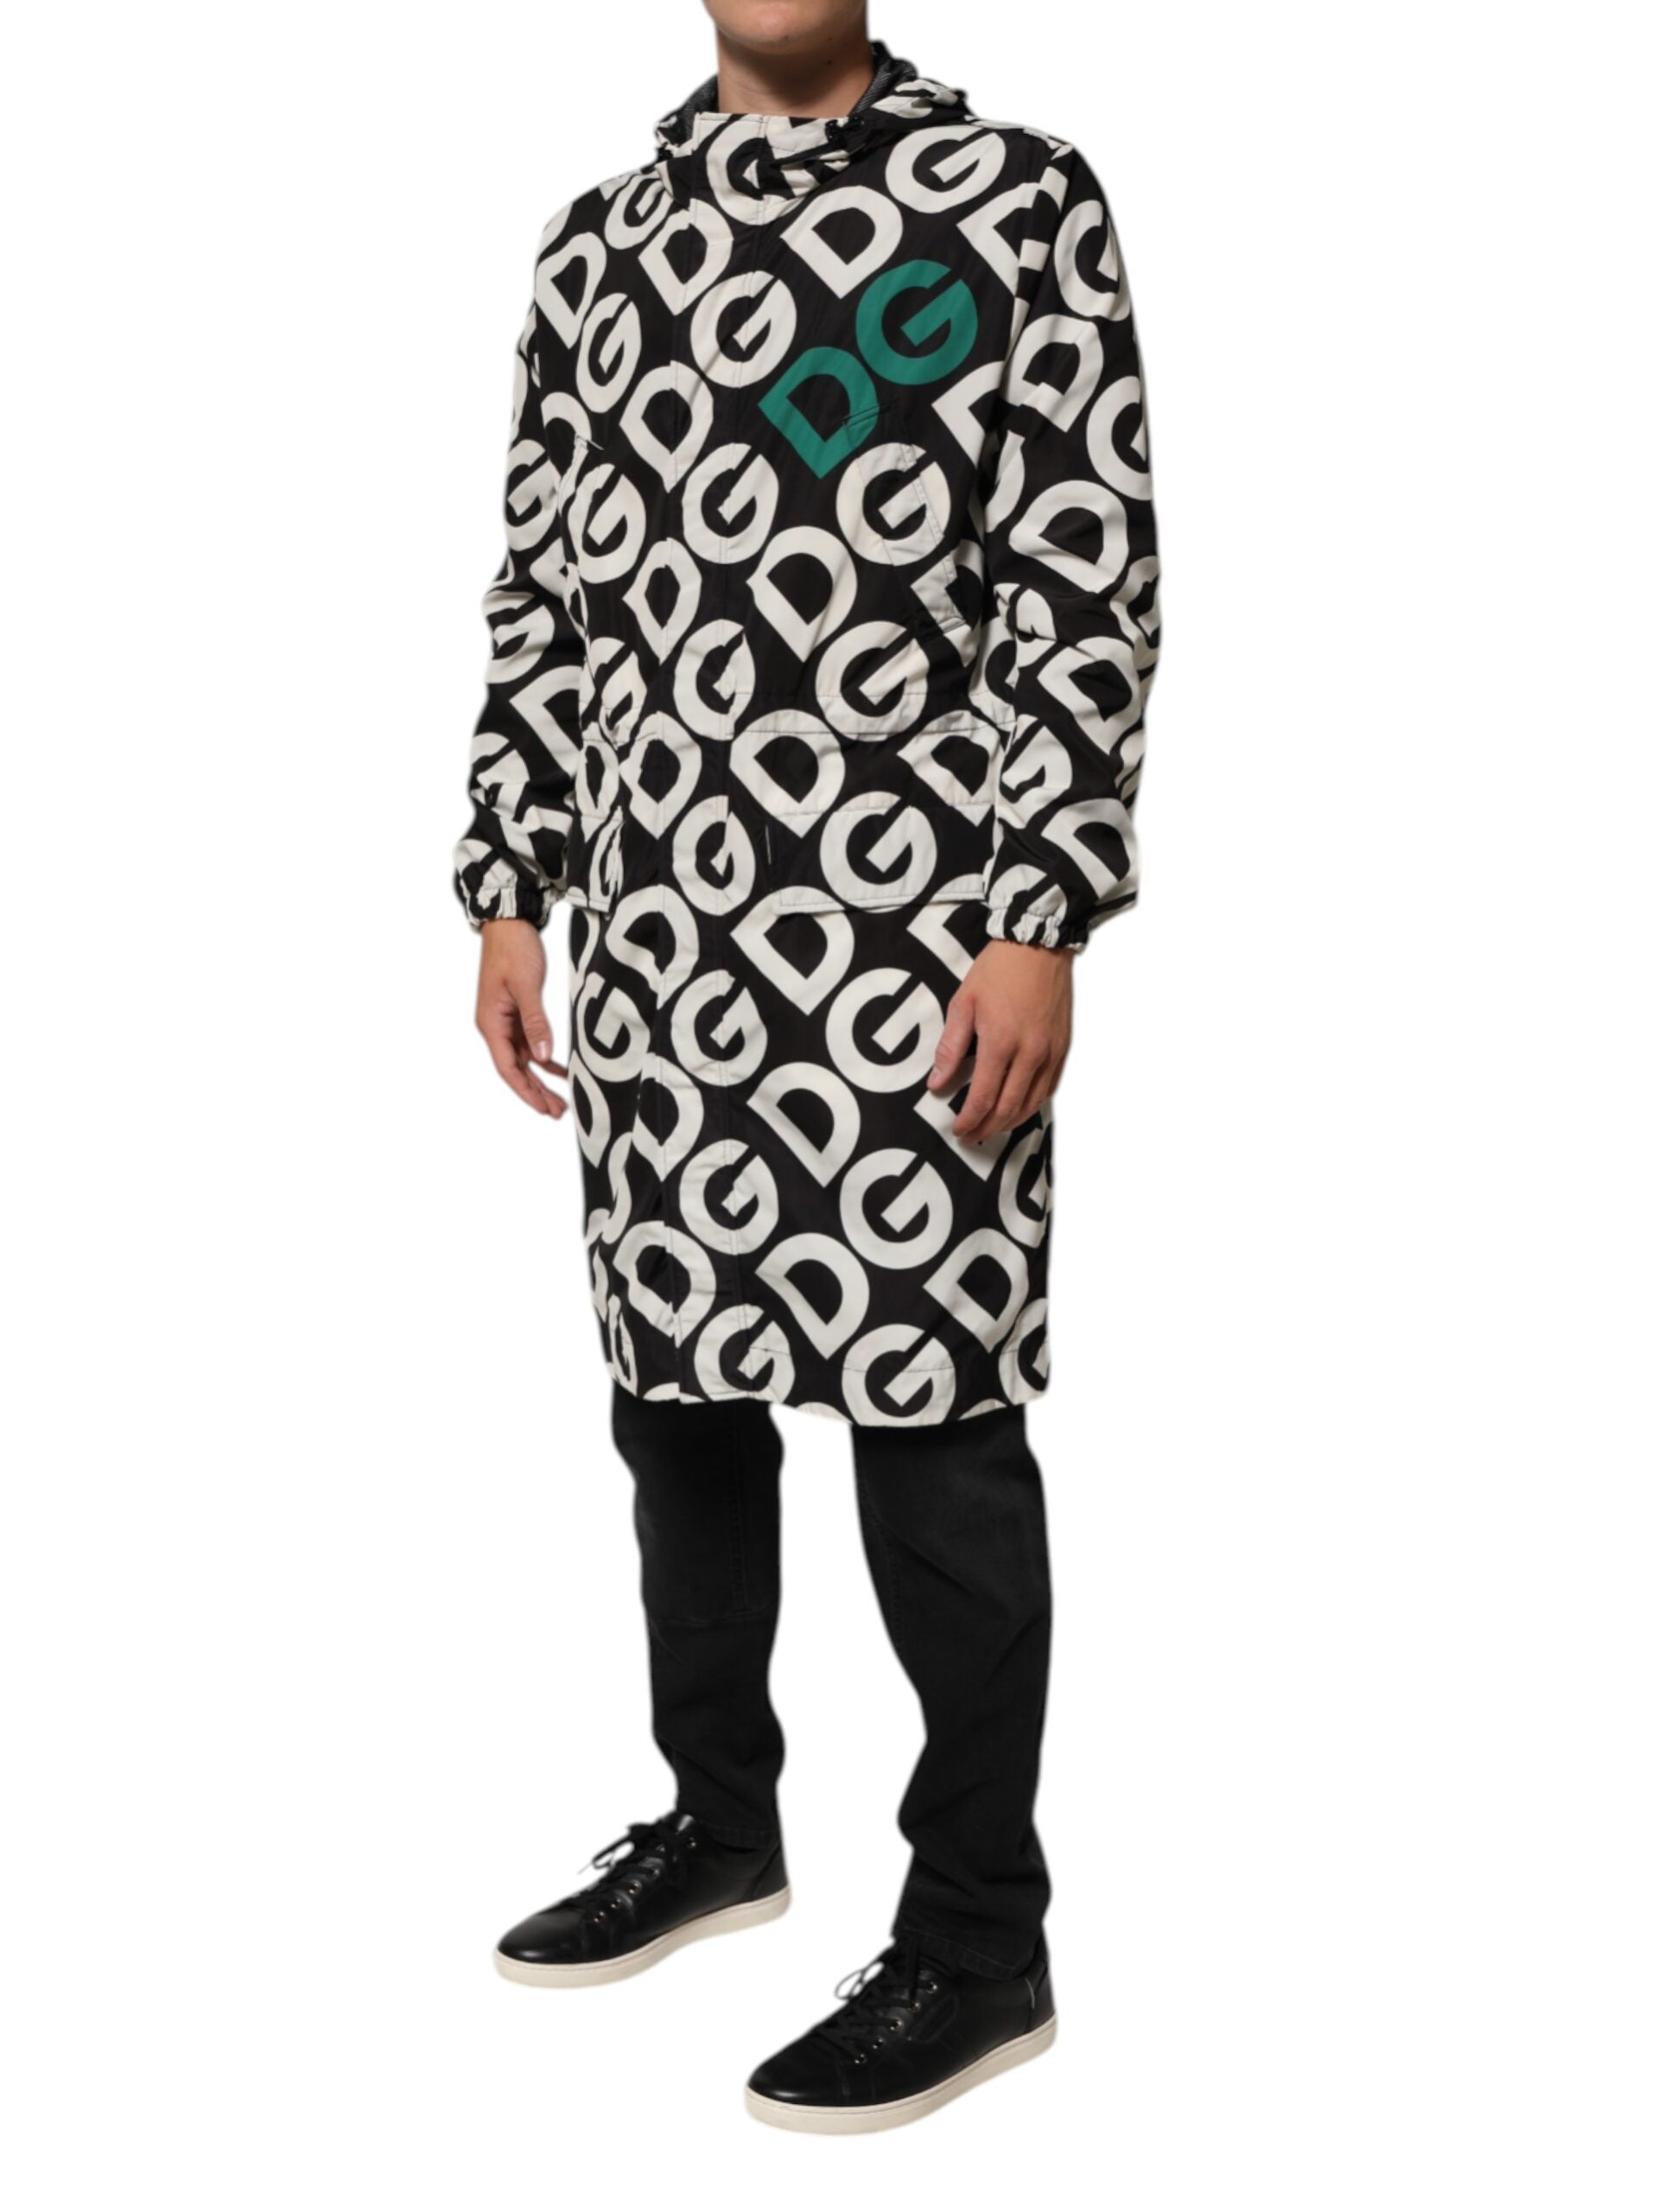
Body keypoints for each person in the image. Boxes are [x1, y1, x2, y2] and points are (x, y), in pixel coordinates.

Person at [454, 0, 1159, 2134]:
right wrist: (511, 882)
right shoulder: (600, 240)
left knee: (933, 1424)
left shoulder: (1010, 203)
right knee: (672, 1401)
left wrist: (1038, 909)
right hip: (661, 938)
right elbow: (542, 593)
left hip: (911, 938)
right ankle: (717, 1820)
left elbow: (1083, 572)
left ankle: (978, 1932)